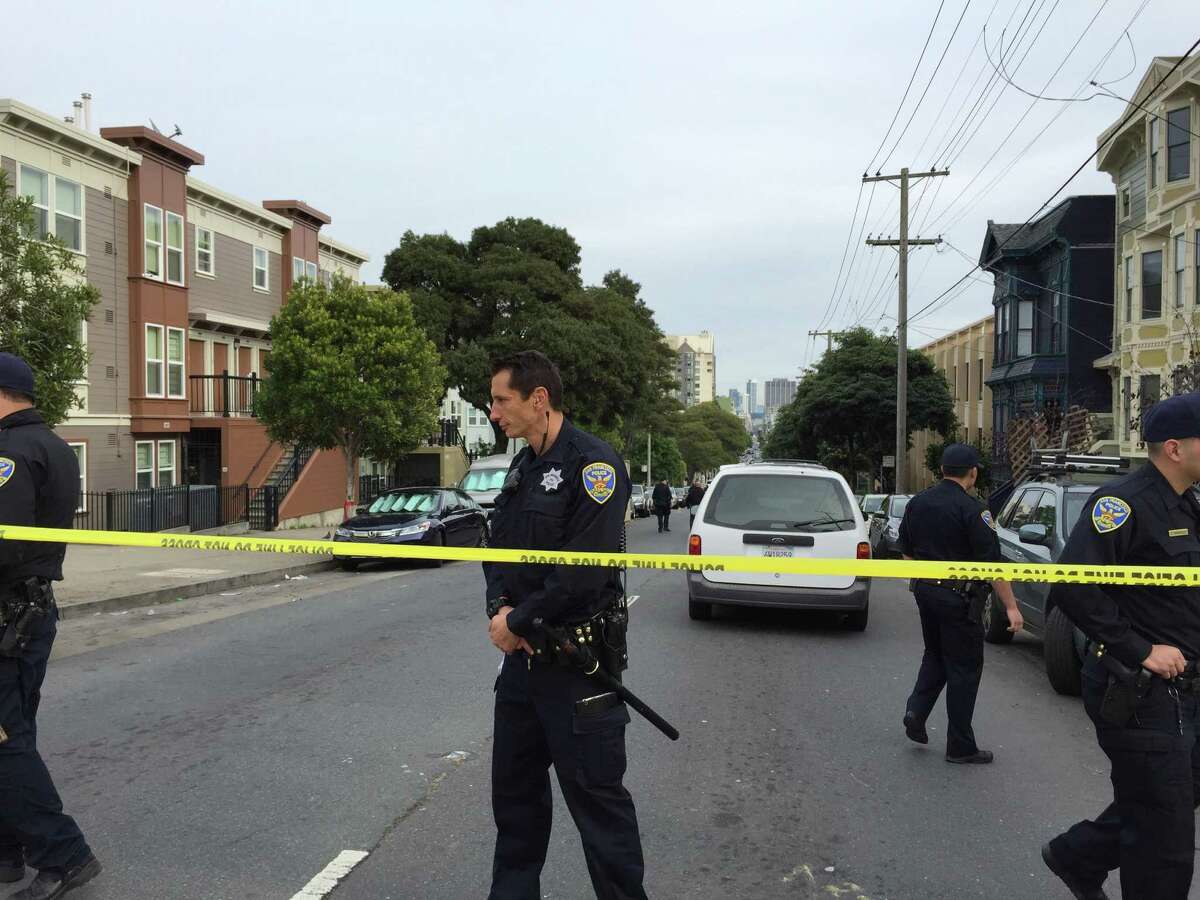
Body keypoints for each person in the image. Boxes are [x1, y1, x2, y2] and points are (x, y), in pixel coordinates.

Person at [481, 351, 647, 900]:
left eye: (502, 400)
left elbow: (581, 572)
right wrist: (500, 610)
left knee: (599, 808)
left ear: (539, 399)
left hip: (578, 668)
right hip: (522, 669)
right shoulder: (521, 465)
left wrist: (519, 620)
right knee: (515, 801)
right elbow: (498, 551)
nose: (494, 411)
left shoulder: (594, 465)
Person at [1042, 393, 1200, 900]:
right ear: (1174, 448)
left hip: (1185, 689)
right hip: (1140, 691)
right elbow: (1073, 584)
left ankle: (1079, 854)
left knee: (1166, 801)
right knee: (1164, 836)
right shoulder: (1123, 502)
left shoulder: (1188, 502)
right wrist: (1140, 648)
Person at [0, 353, 101, 899]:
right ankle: (9, 850)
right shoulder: (55, 446)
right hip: (29, 614)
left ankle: (64, 855)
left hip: (8, 615)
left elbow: (5, 543)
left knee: (5, 740)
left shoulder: (9, 452)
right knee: (15, 734)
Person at [897, 443, 1023, 764]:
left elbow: (906, 551)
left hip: (925, 593)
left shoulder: (919, 503)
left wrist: (922, 582)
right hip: (960, 599)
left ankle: (916, 710)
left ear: (941, 470)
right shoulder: (974, 510)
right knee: (964, 669)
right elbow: (993, 566)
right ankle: (960, 745)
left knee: (935, 654)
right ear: (973, 473)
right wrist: (1010, 607)